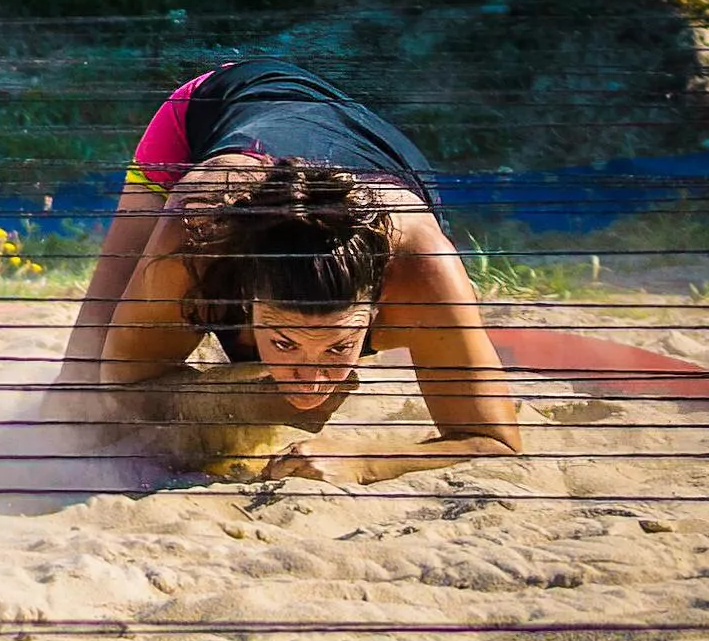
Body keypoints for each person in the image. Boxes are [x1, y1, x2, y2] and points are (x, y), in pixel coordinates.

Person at [61, 60, 522, 484]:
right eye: (284, 341)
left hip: (364, 142)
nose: (310, 381)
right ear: (245, 299)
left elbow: (495, 441)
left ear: (378, 309)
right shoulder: (195, 238)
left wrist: (363, 460)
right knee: (77, 394)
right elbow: (120, 387)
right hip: (218, 105)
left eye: (340, 347)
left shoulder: (422, 271)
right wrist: (250, 400)